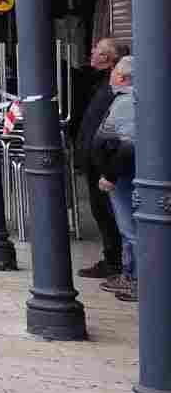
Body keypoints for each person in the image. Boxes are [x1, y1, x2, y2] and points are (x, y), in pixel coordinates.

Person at [69, 39, 128, 279]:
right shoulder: (98, 82)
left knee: (110, 213)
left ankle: (118, 263)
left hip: (106, 161)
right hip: (96, 160)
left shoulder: (115, 86)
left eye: (97, 50)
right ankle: (114, 259)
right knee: (102, 211)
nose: (91, 52)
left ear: (107, 58)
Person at [91, 55, 139, 302]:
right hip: (124, 172)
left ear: (120, 76)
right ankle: (131, 275)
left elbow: (128, 144)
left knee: (130, 229)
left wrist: (109, 175)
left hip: (124, 174)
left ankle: (136, 280)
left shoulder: (127, 103)